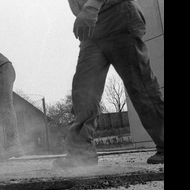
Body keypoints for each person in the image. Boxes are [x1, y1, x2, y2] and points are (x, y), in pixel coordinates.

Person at [54, 0, 164, 168]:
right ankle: (81, 154)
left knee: (139, 84)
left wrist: (91, 7)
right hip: (92, 27)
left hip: (118, 14)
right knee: (83, 89)